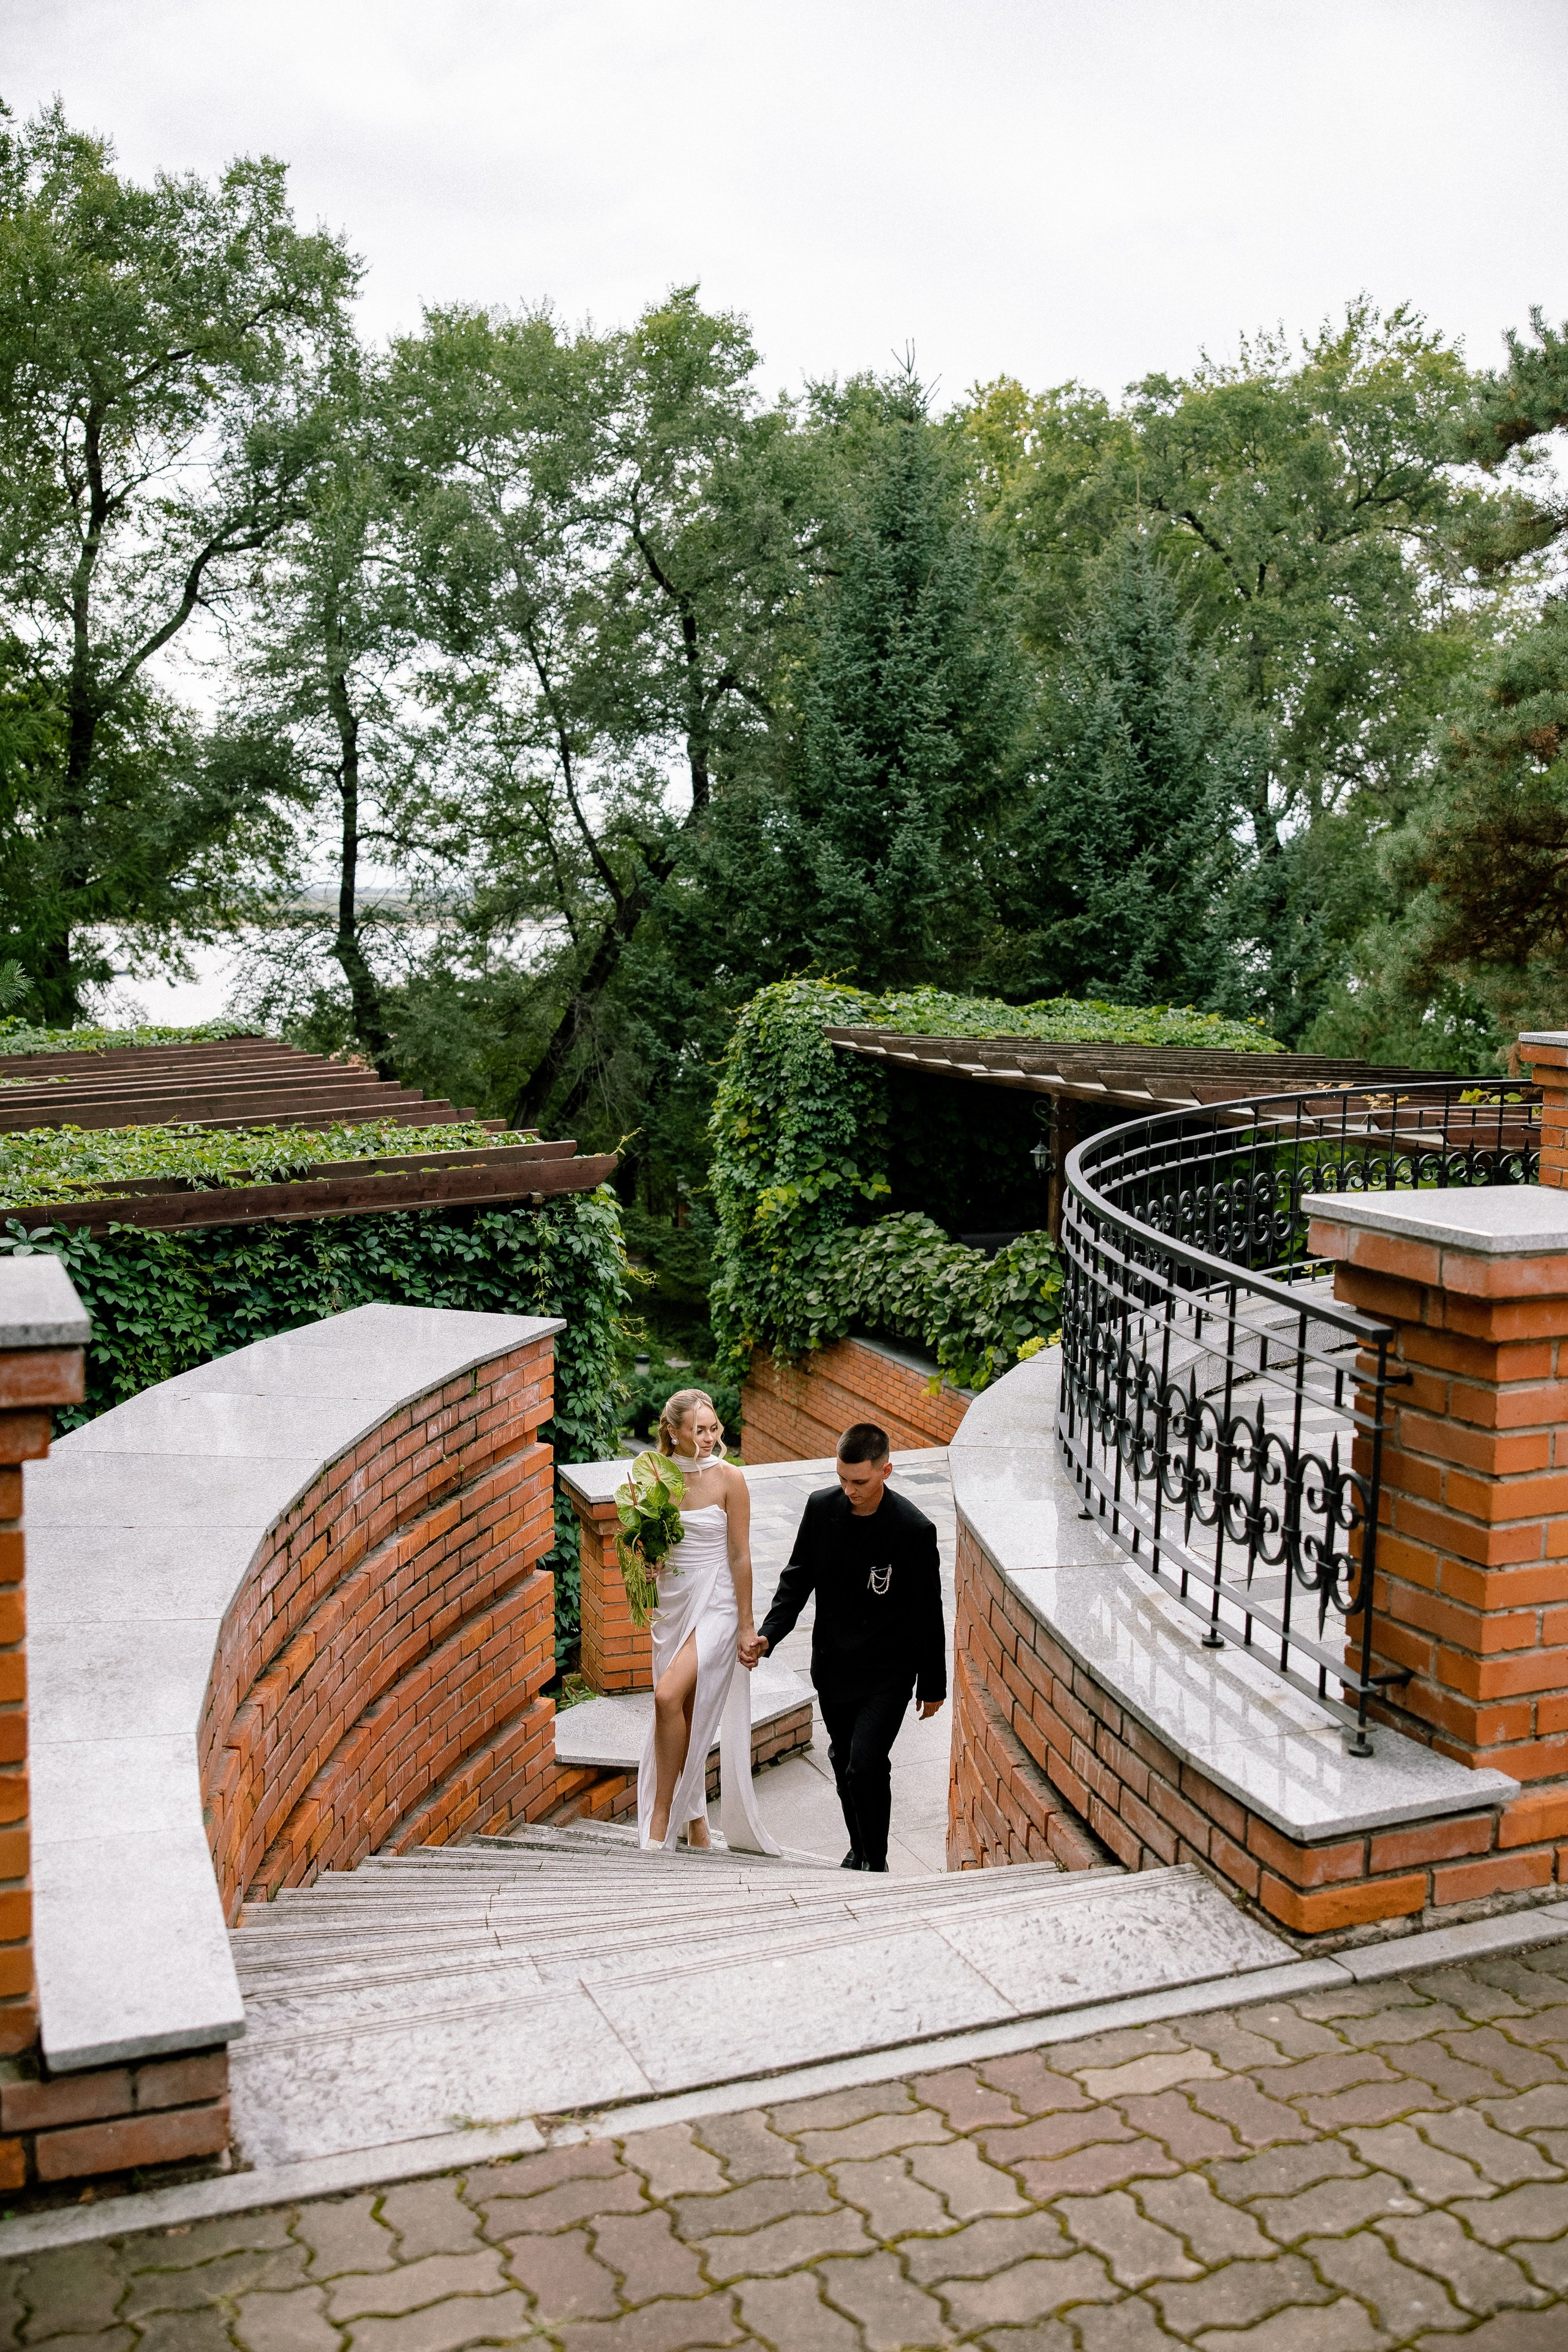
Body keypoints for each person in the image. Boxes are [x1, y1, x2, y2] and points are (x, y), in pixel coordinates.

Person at [742, 1422, 945, 1872]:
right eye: (843, 1479)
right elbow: (796, 1580)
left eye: (861, 1481)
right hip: (833, 1667)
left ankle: (876, 1864)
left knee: (865, 1765)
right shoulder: (821, 1509)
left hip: (887, 1674)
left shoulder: (913, 1530)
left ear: (886, 1471)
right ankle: (860, 1849)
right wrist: (769, 1634)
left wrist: (932, 1685)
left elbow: (926, 1612)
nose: (850, 1490)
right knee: (843, 1760)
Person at [638, 1389, 774, 1853]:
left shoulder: (730, 1479)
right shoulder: (656, 1480)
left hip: (717, 1600)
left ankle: (662, 1812)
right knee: (685, 1713)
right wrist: (649, 1564)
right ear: (672, 1433)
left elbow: (740, 1554)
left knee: (666, 1695)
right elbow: (649, 1548)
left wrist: (747, 1626)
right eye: (699, 1431)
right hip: (674, 1603)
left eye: (714, 1428)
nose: (711, 1438)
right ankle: (694, 1821)